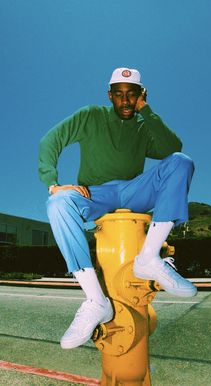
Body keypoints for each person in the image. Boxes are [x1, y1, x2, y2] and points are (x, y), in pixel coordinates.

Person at [38, 67, 197, 350]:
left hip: (134, 190)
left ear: (140, 96)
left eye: (132, 94)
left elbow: (172, 146)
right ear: (110, 96)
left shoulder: (142, 125)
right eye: (119, 95)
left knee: (181, 161)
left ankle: (149, 258)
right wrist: (53, 182)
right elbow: (51, 140)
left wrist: (146, 112)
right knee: (58, 204)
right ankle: (95, 300)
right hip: (95, 194)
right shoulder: (91, 115)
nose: (125, 101)